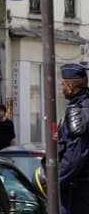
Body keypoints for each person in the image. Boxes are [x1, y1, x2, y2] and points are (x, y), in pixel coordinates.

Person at [57, 63, 89, 214]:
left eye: (63, 83)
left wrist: (52, 180)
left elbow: (74, 157)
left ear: (70, 87)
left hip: (78, 191)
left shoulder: (77, 112)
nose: (61, 87)